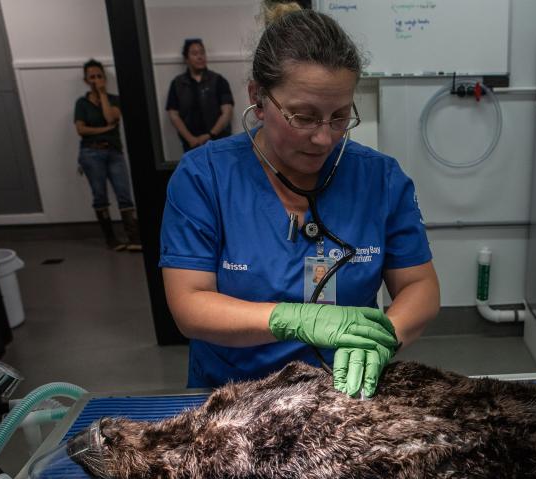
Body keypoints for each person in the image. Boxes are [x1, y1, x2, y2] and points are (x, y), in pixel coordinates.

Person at [160, 3, 440, 398]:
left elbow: (419, 286)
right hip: (231, 401)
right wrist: (291, 318)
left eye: (340, 116)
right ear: (258, 98)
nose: (324, 138)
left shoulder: (381, 179)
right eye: (303, 117)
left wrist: (386, 336)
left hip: (344, 398)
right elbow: (188, 305)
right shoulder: (203, 177)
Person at [74, 59, 141, 251]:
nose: (96, 80)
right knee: (100, 196)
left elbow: (112, 117)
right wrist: (104, 129)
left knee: (124, 194)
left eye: (99, 76)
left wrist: (102, 94)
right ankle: (111, 239)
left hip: (114, 152)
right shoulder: (82, 103)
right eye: (92, 77)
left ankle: (134, 237)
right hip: (90, 153)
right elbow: (81, 129)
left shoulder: (114, 99)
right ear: (86, 80)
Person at [165, 38, 235, 153]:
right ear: (186, 58)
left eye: (202, 53)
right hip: (191, 144)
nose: (200, 57)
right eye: (194, 53)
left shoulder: (218, 80)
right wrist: (190, 139)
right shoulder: (177, 83)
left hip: (218, 141)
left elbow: (227, 112)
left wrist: (210, 135)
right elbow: (173, 115)